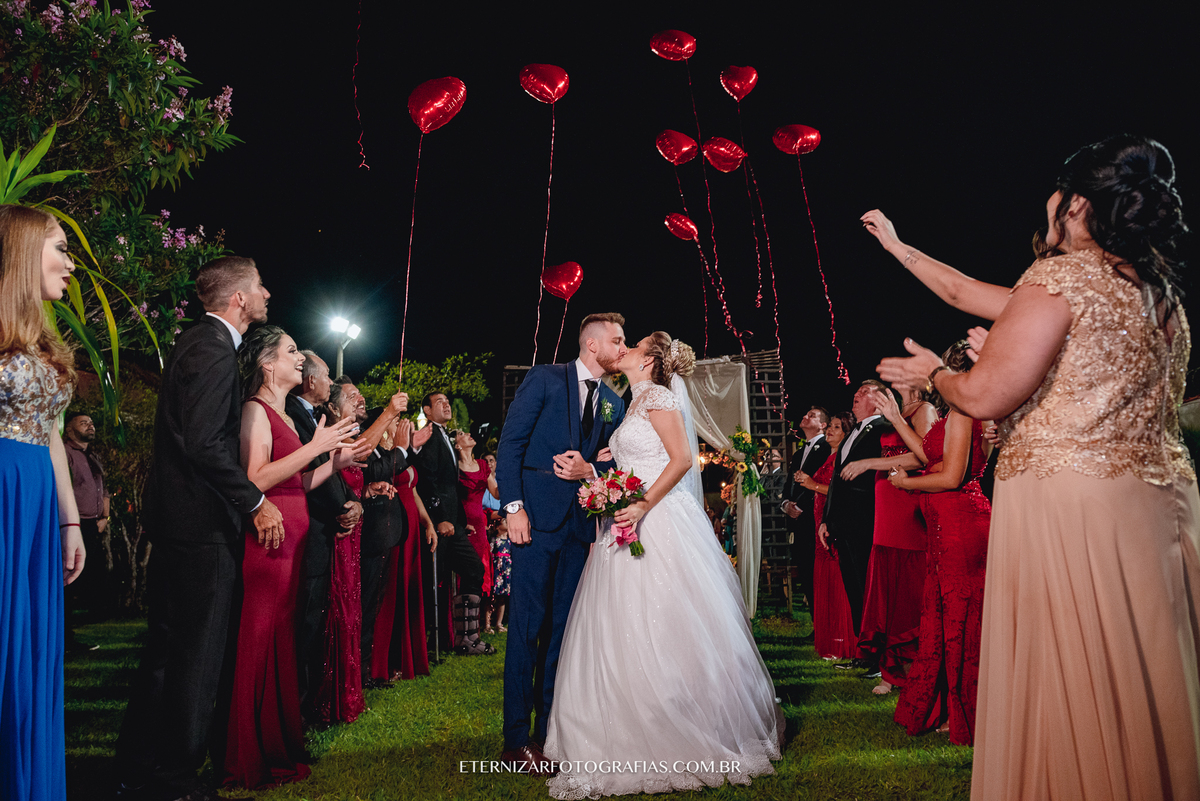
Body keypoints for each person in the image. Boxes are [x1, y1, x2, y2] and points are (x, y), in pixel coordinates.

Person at [872, 134, 1200, 799]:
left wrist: (937, 373)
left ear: (1076, 202)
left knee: (1074, 667)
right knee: (1144, 665)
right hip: (1158, 504)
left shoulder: (1060, 277)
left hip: (1071, 507)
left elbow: (986, 394)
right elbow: (964, 290)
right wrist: (898, 246)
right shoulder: (1159, 294)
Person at [545, 332, 782, 798]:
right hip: (631, 514)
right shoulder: (632, 401)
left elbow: (681, 460)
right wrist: (601, 480)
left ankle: (682, 720)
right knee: (620, 620)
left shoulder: (655, 394)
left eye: (632, 344)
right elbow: (637, 462)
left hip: (659, 518)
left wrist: (641, 505)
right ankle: (621, 722)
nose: (624, 347)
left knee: (668, 618)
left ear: (651, 360)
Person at [116, 256, 284, 801]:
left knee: (165, 651)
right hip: (202, 526)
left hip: (175, 523)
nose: (265, 294)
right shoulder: (214, 350)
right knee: (197, 654)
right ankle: (177, 777)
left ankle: (138, 766)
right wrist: (255, 500)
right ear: (237, 299)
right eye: (258, 286)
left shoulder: (192, 343)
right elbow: (207, 445)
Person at [222, 326, 362, 788]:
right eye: (290, 353)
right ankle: (248, 753)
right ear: (267, 364)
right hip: (269, 544)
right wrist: (314, 448)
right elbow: (256, 479)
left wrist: (332, 464)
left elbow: (296, 484)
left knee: (283, 640)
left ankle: (278, 740)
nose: (299, 359)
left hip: (294, 542)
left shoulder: (281, 413)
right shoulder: (254, 411)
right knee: (259, 642)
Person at [495, 312, 628, 772]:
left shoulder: (614, 401)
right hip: (532, 522)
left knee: (562, 634)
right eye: (617, 340)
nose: (622, 348)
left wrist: (592, 470)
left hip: (579, 529)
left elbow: (616, 464)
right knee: (527, 630)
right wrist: (513, 508)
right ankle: (515, 741)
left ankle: (549, 730)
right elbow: (511, 444)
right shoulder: (545, 379)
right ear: (592, 345)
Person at [0, 204, 84, 801]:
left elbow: (49, 431)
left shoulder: (44, 342)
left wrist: (70, 518)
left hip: (35, 502)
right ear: (23, 252)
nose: (71, 265)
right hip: (4, 493)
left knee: (31, 652)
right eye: (59, 248)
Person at [887, 340, 991, 746]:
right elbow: (932, 457)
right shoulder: (953, 413)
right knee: (947, 619)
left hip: (962, 525)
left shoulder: (964, 409)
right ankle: (949, 705)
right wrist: (896, 419)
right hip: (944, 529)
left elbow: (951, 478)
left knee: (963, 622)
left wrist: (905, 484)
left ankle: (967, 711)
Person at [842, 385, 938, 694]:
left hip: (906, 504)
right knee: (886, 591)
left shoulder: (923, 411)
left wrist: (869, 463)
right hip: (884, 508)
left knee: (908, 589)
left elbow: (921, 456)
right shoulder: (896, 413)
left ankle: (912, 666)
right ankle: (891, 670)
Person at [284, 351, 363, 722]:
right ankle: (297, 716)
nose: (331, 383)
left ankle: (309, 708)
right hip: (309, 530)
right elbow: (313, 471)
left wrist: (351, 501)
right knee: (304, 629)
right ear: (311, 381)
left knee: (313, 626)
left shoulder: (311, 416)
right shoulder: (294, 416)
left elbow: (333, 468)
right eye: (327, 376)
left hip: (322, 528)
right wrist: (340, 507)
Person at [819, 380, 894, 675]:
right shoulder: (852, 434)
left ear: (878, 400)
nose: (857, 396)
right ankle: (863, 652)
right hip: (842, 524)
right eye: (856, 392)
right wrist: (826, 519)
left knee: (868, 589)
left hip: (866, 521)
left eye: (865, 393)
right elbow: (836, 482)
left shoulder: (884, 429)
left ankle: (879, 657)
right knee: (854, 588)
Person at [411, 392, 493, 656]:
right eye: (439, 403)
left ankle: (466, 637)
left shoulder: (445, 436)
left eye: (447, 402)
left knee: (473, 570)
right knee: (437, 582)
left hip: (455, 524)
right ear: (426, 409)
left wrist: (460, 521)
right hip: (438, 524)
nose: (446, 405)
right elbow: (427, 480)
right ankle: (433, 642)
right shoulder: (429, 435)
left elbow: (452, 487)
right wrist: (440, 518)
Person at [797, 411, 858, 660]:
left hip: (832, 520)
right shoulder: (829, 456)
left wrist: (811, 485)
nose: (830, 431)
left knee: (838, 581)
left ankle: (845, 641)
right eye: (830, 426)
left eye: (836, 427)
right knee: (825, 580)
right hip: (818, 520)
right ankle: (831, 638)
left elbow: (838, 490)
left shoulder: (842, 458)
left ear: (846, 433)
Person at [62, 410, 112, 625]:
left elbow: (104, 489)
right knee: (69, 577)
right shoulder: (64, 453)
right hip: (73, 524)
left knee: (92, 576)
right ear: (70, 429)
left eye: (91, 423)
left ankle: (81, 625)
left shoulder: (93, 455)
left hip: (93, 524)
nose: (90, 426)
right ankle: (65, 633)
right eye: (83, 423)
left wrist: (105, 517)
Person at [783, 407, 832, 611]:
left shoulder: (827, 447)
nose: (805, 416)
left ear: (823, 425)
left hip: (816, 518)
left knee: (819, 572)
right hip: (799, 522)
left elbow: (823, 481)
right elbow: (789, 484)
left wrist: (800, 506)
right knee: (805, 571)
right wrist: (786, 504)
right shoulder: (799, 452)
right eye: (805, 414)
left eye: (811, 415)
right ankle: (816, 624)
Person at [453, 428, 498, 600]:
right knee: (463, 571)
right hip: (463, 525)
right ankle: (458, 616)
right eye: (462, 434)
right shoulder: (454, 468)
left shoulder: (482, 465)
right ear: (457, 445)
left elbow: (496, 493)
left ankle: (473, 620)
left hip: (479, 525)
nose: (468, 434)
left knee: (478, 571)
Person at [485, 515, 511, 634]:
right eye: (504, 521)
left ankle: (499, 623)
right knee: (491, 598)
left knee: (503, 598)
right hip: (495, 570)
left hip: (506, 571)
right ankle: (487, 624)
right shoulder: (494, 539)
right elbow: (489, 552)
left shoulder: (511, 540)